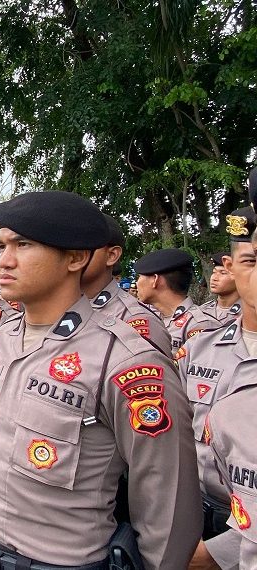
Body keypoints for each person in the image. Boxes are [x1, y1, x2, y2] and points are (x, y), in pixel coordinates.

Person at [0, 191, 201, 569]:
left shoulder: (125, 360)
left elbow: (168, 504)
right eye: (2, 245)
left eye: (24, 245)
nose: (4, 261)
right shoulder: (1, 339)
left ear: (75, 258)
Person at [179, 201, 257, 569]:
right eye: (251, 261)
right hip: (198, 509)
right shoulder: (201, 347)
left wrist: (216, 554)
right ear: (231, 267)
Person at [82, 215, 172, 355]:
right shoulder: (53, 308)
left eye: (82, 247)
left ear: (112, 255)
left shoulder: (135, 321)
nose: (69, 254)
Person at [135, 248, 220, 351]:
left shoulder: (199, 324)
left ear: (155, 280)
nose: (136, 284)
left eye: (139, 277)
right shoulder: (149, 318)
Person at [200, 251, 241, 325]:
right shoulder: (202, 311)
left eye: (223, 273)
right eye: (214, 272)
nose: (214, 278)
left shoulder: (249, 313)